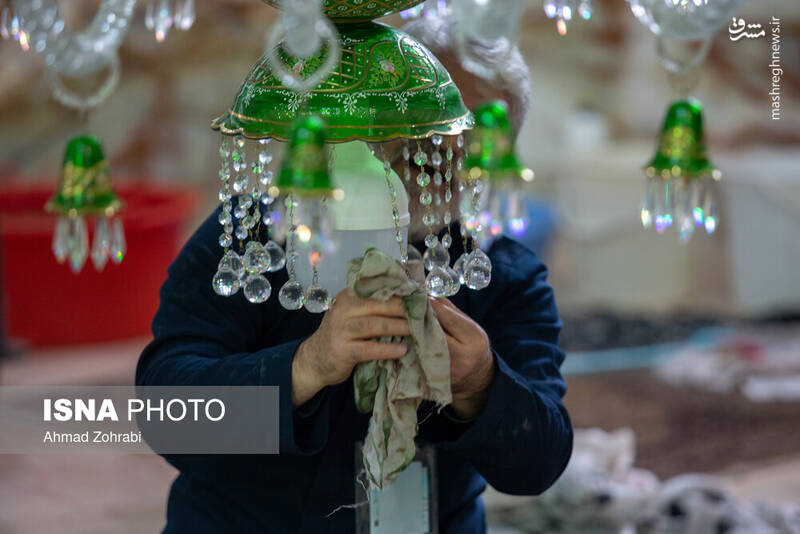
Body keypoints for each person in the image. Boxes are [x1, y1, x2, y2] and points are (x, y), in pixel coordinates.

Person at [136, 13, 572, 534]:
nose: (448, 147)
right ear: (364, 115)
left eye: (477, 131)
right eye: (430, 116)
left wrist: (482, 383)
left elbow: (539, 463)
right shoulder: (253, 240)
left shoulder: (498, 272)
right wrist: (307, 367)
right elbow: (170, 418)